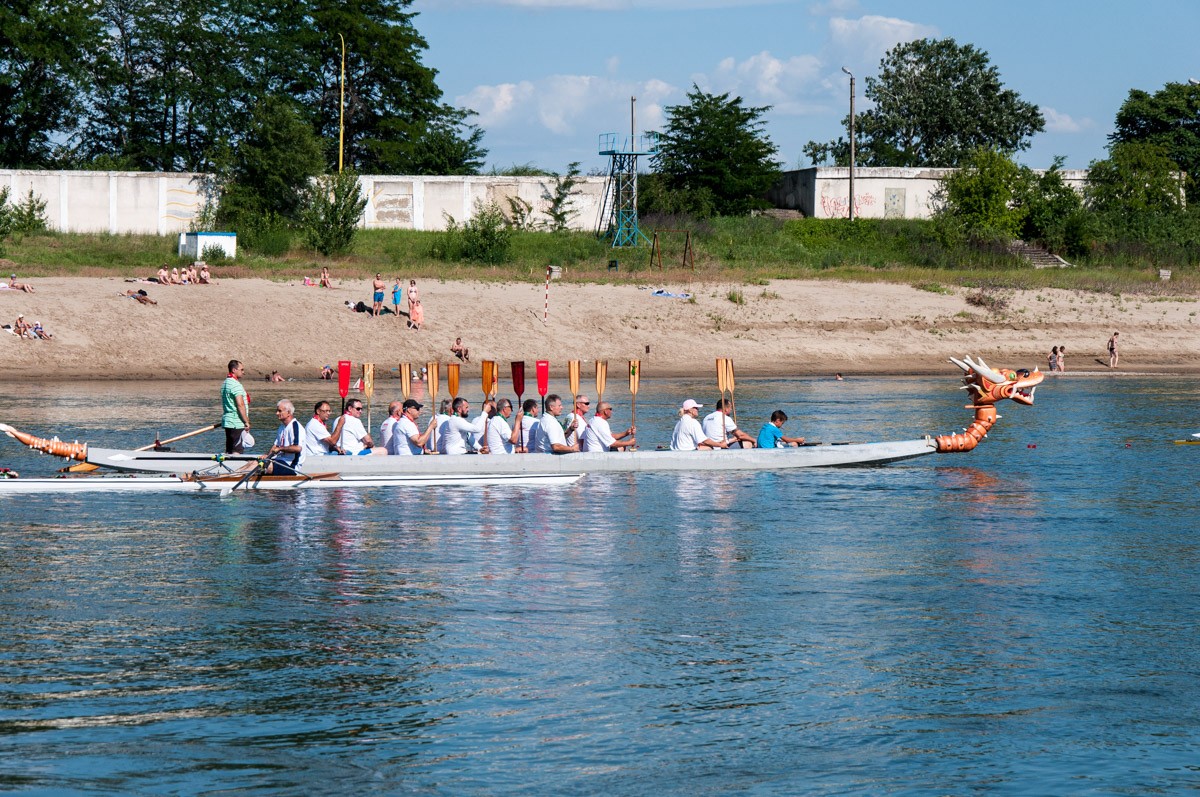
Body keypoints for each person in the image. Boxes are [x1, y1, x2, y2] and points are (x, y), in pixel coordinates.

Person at [261, 399, 306, 475]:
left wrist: (280, 449)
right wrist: (267, 456)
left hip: (291, 466)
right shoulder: (282, 427)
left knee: (260, 466)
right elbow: (275, 446)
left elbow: (297, 448)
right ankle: (237, 476)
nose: (276, 413)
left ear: (288, 412)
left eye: (279, 411)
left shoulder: (295, 426)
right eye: (277, 411)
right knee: (254, 462)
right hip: (280, 461)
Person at [221, 360, 250, 454]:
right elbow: (240, 404)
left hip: (228, 422)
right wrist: (246, 421)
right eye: (241, 369)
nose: (243, 372)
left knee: (229, 450)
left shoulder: (225, 383)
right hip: (236, 423)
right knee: (237, 451)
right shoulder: (235, 384)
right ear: (234, 370)